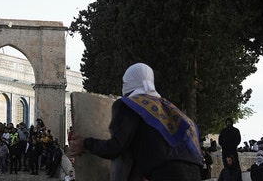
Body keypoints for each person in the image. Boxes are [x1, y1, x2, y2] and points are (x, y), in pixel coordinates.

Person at [69, 63, 203, 181]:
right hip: (196, 174)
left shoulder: (129, 105)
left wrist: (86, 143)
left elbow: (116, 147)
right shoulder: (173, 110)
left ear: (128, 82)